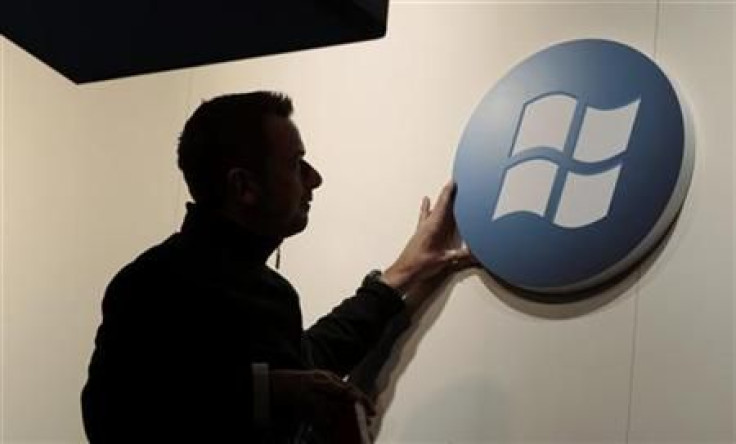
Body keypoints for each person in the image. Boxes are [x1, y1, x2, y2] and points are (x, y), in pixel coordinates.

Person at [81, 91, 473, 443]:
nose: (314, 179)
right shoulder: (152, 284)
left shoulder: (268, 290)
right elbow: (114, 416)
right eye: (296, 163)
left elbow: (306, 363)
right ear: (244, 187)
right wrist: (271, 391)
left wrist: (402, 273)